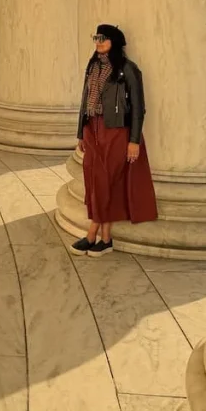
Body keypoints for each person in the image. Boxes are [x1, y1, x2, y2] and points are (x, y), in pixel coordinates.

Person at [69, 24, 157, 257]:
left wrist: (134, 141)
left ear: (114, 42)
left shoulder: (128, 69)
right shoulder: (92, 67)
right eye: (96, 38)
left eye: (103, 38)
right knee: (94, 181)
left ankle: (92, 234)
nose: (98, 42)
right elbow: (84, 100)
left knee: (106, 182)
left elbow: (138, 107)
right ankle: (106, 239)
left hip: (116, 131)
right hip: (92, 129)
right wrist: (81, 132)